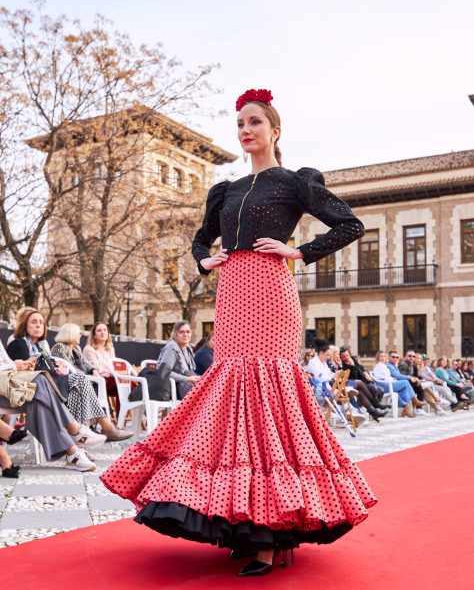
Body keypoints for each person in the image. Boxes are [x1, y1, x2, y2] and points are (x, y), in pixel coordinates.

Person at [101, 88, 376, 576]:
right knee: (231, 400)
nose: (245, 131)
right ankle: (240, 520)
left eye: (254, 122)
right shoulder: (224, 191)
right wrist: (205, 261)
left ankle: (271, 533)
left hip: (272, 291)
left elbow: (349, 225)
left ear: (274, 130)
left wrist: (298, 252)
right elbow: (200, 238)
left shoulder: (296, 182)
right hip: (231, 293)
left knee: (268, 398)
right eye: (240, 125)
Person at [6, 309, 131, 441]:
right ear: (25, 326)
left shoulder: (41, 346)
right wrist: (56, 369)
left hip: (49, 384)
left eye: (41, 323)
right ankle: (99, 430)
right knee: (78, 379)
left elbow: (52, 366)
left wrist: (58, 367)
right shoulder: (19, 343)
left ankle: (82, 437)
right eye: (34, 322)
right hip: (34, 389)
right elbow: (29, 372)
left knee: (78, 383)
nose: (38, 325)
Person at [0, 338, 104, 471]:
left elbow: (5, 362)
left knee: (39, 397)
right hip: (5, 389)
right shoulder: (20, 342)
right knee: (39, 381)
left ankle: (72, 452)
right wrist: (15, 366)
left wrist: (20, 365)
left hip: (11, 384)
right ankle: (75, 431)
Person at [155, 321, 200, 399]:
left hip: (186, 386)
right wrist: (187, 379)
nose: (185, 335)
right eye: (181, 332)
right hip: (174, 388)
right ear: (176, 335)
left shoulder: (188, 348)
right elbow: (164, 372)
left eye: (188, 332)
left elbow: (189, 372)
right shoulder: (172, 348)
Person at [82, 322, 120, 415]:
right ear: (94, 335)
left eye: (105, 330)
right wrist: (110, 370)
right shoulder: (89, 349)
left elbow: (113, 367)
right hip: (98, 381)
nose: (103, 332)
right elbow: (97, 368)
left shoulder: (110, 348)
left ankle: (120, 419)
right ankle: (119, 421)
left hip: (110, 378)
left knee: (127, 385)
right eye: (99, 330)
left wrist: (110, 370)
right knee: (122, 385)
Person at [372, 351, 417, 417]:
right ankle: (414, 399)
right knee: (405, 382)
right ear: (378, 358)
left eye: (384, 356)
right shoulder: (380, 366)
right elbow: (384, 378)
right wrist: (392, 379)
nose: (383, 358)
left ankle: (406, 410)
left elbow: (389, 376)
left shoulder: (384, 365)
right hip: (383, 385)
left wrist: (393, 376)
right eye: (381, 356)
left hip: (387, 383)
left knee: (402, 389)